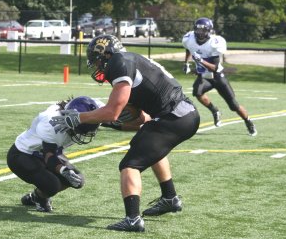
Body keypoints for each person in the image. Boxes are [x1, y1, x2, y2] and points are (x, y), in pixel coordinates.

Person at [50, 35, 201, 232]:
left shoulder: (118, 62)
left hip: (174, 117)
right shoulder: (130, 62)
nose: (97, 66)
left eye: (96, 60)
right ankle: (170, 198)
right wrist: (108, 124)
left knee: (129, 164)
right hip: (183, 115)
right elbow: (139, 119)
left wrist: (81, 118)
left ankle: (132, 219)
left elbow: (112, 111)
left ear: (106, 54)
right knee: (148, 142)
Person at [7, 96, 100, 212]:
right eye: (81, 130)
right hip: (23, 154)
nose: (83, 134)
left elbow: (112, 111)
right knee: (52, 185)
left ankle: (36, 196)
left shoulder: (94, 107)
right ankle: (41, 197)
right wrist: (64, 171)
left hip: (49, 152)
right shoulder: (51, 122)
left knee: (77, 181)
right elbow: (49, 156)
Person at [182, 17, 257, 136]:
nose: (200, 33)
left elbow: (215, 67)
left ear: (209, 31)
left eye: (203, 30)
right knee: (197, 92)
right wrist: (186, 62)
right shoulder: (189, 38)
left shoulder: (214, 43)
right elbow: (188, 48)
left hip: (217, 76)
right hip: (204, 75)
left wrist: (201, 61)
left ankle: (248, 122)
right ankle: (214, 110)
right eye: (198, 30)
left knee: (233, 105)